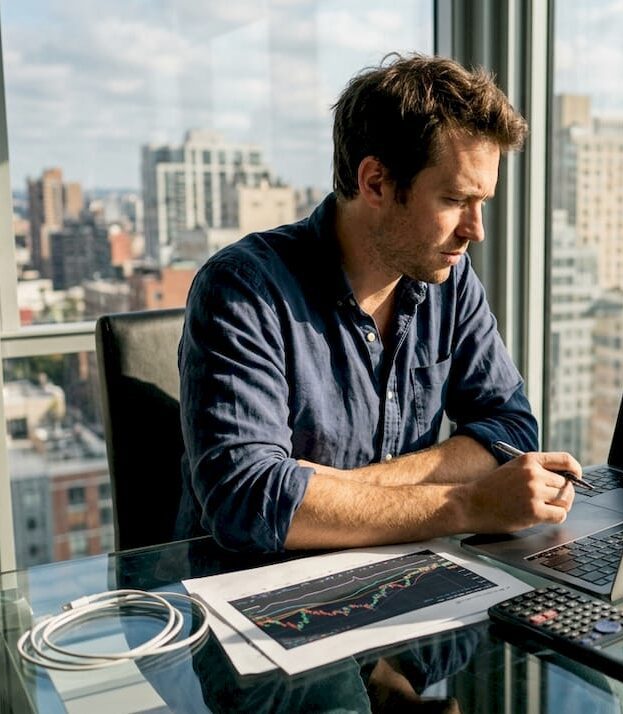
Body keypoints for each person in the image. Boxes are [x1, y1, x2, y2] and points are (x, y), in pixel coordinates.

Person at [177, 53, 582, 552]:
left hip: (402, 575)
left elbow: (512, 429)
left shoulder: (448, 280)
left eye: (482, 204)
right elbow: (248, 499)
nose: (474, 230)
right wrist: (467, 504)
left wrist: (332, 489)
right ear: (376, 183)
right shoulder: (243, 290)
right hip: (255, 597)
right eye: (455, 201)